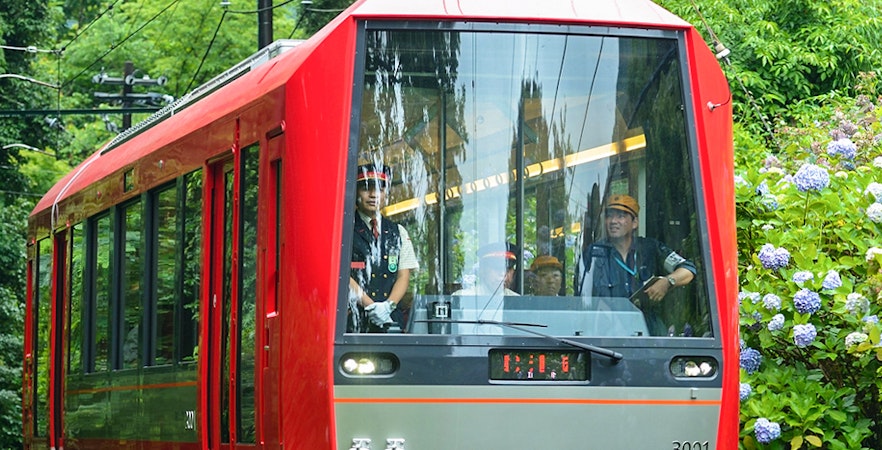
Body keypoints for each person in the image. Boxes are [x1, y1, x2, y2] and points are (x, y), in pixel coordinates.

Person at [575, 194, 695, 335]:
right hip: (607, 335)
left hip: (649, 333)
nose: (613, 221)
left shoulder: (651, 248)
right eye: (609, 216)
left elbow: (688, 269)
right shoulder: (594, 253)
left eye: (621, 216)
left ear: (635, 223)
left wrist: (667, 282)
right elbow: (581, 300)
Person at [348, 163, 419, 333]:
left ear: (386, 194)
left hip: (390, 321)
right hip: (353, 321)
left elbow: (403, 275)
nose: (373, 195)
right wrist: (371, 307)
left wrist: (388, 306)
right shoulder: (344, 230)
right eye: (366, 189)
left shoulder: (398, 232)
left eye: (380, 189)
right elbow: (340, 275)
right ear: (356, 192)